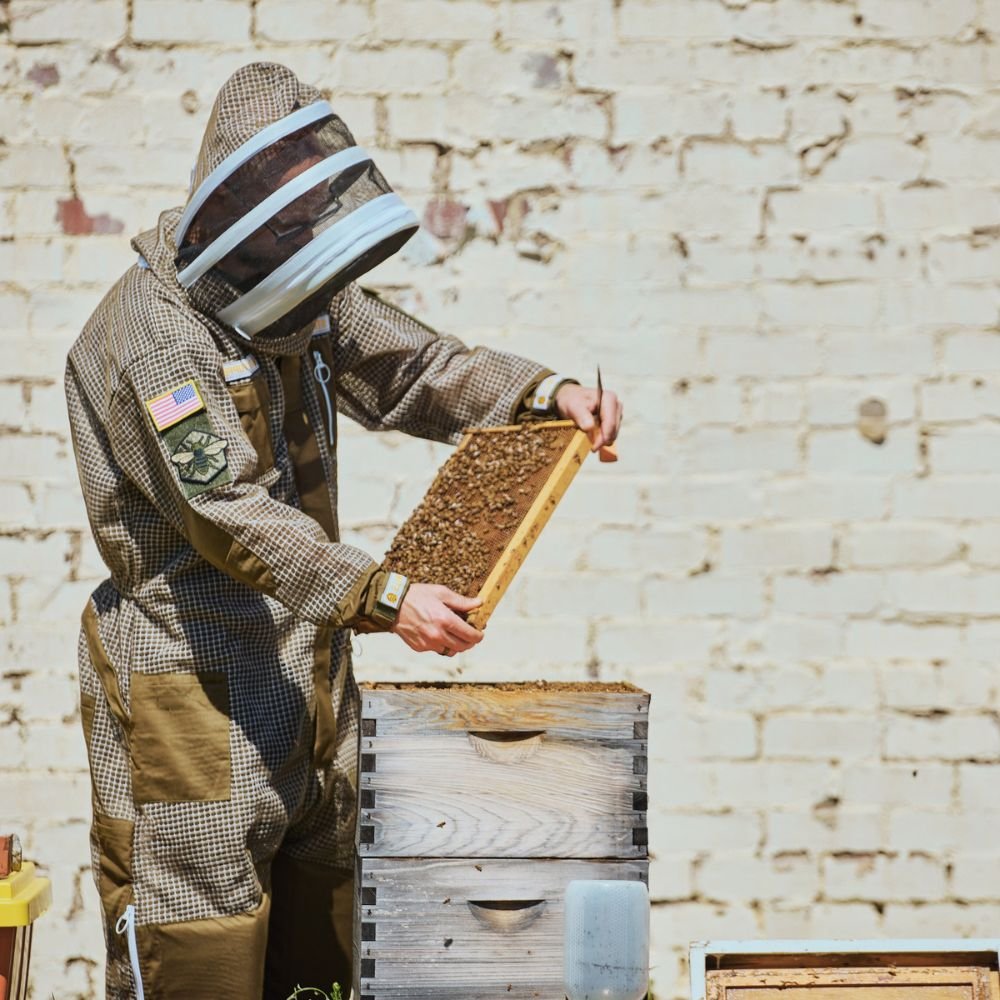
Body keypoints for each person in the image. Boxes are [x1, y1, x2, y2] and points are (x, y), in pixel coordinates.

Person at [64, 61, 622, 1000]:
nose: (295, 240)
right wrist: (383, 595)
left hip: (309, 665)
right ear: (231, 199)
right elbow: (226, 513)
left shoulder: (294, 280)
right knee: (202, 942)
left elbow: (414, 367)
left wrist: (542, 394)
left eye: (303, 221)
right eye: (281, 221)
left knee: (321, 944)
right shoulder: (157, 339)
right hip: (190, 685)